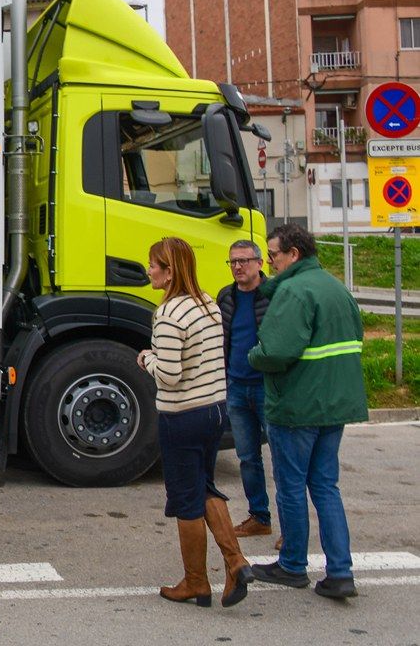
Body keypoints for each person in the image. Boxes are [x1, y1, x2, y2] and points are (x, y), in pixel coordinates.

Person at [248, 223, 368, 600]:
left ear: (293, 254)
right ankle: (340, 571)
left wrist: (253, 355)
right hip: (335, 406)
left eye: (274, 256)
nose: (271, 264)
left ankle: (293, 565)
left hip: (297, 407)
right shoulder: (336, 288)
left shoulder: (295, 291)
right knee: (326, 488)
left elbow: (275, 352)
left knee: (290, 488)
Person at [138, 236, 253, 608]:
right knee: (204, 487)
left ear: (170, 272)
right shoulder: (208, 305)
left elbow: (169, 374)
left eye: (155, 265)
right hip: (213, 411)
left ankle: (195, 582)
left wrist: (146, 360)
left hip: (182, 415)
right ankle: (235, 561)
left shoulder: (169, 315)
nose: (150, 270)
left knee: (186, 500)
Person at [216, 240, 279, 548]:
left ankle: (291, 528)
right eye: (232, 262)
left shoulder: (275, 295)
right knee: (247, 458)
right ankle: (259, 518)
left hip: (268, 387)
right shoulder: (226, 297)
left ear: (259, 263)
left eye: (243, 261)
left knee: (282, 459)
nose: (238, 267)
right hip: (236, 387)